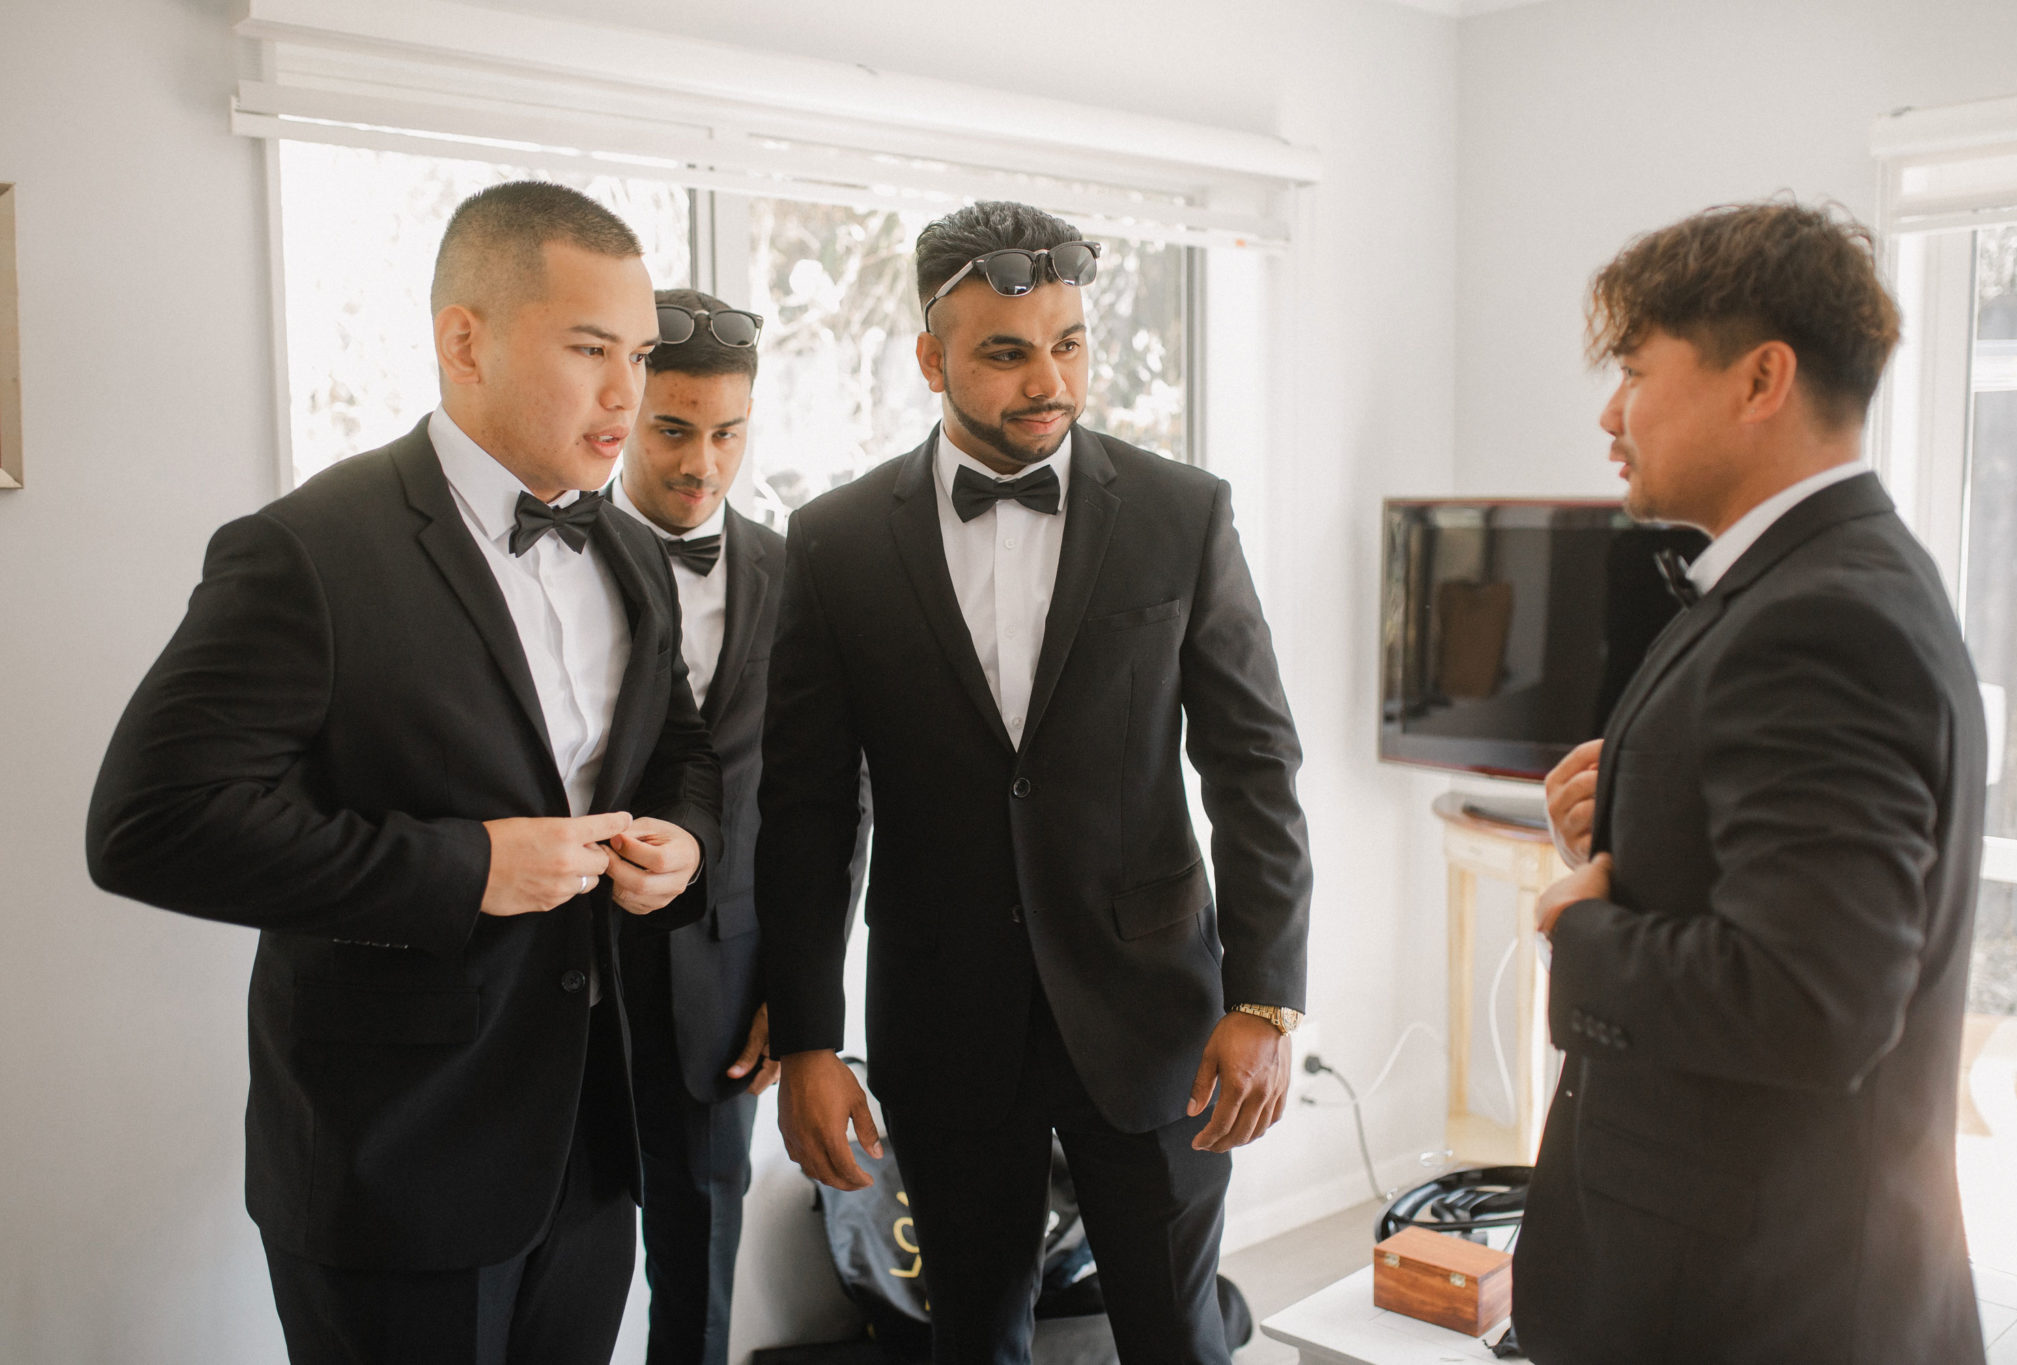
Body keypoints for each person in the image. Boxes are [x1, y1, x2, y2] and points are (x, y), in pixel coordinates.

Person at [86, 181, 723, 1365]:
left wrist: (684, 846)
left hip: (595, 1143)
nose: (628, 395)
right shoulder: (305, 552)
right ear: (463, 341)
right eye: (590, 349)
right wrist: (463, 866)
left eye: (636, 353)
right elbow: (150, 824)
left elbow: (677, 750)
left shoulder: (632, 550)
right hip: (394, 1160)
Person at [755, 199, 1313, 1365]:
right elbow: (808, 807)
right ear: (930, 358)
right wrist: (809, 1038)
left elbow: (1253, 762)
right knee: (972, 1338)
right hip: (942, 1023)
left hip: (1156, 1020)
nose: (1046, 380)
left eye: (1068, 344)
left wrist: (1264, 998)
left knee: (1176, 1336)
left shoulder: (1181, 512)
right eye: (1006, 352)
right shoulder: (835, 542)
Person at [1520, 200, 1988, 1365]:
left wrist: (1580, 935)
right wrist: (1626, 807)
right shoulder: (1807, 577)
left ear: (1759, 378)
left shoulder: (1819, 617)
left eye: (1632, 370)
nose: (1608, 413)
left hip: (1757, 1301)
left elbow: (1810, 998)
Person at [609, 287, 867, 1365]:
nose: (701, 464)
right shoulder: (546, 555)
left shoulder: (804, 570)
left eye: (727, 433)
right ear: (621, 410)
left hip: (729, 983)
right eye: (672, 429)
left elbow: (832, 796)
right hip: (560, 975)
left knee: (697, 1282)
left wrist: (799, 998)